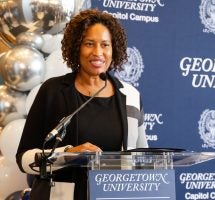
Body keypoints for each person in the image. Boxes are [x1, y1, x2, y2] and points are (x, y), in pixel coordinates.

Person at [16, 9, 148, 200]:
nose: (98, 53)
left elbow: (143, 159)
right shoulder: (52, 91)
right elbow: (23, 159)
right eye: (89, 44)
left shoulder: (131, 96)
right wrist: (68, 154)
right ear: (76, 47)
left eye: (105, 45)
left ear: (114, 49)